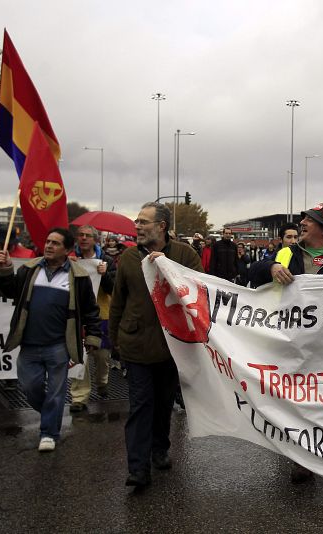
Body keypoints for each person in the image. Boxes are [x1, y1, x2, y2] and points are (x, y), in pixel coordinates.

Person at [248, 203, 323, 500]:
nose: (302, 223)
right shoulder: (287, 253)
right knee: (301, 406)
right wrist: (272, 267)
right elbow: (253, 272)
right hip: (296, 345)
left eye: (308, 220)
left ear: (322, 227)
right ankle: (303, 460)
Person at [109, 202, 204, 488]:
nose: (137, 226)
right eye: (136, 221)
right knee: (140, 406)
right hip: (136, 346)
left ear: (161, 226)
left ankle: (159, 449)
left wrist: (170, 269)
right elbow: (118, 303)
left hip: (171, 348)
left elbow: (202, 291)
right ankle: (137, 469)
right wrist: (116, 342)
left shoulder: (185, 255)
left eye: (143, 222)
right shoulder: (127, 258)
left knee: (163, 404)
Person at [0, 228, 102, 452]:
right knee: (29, 387)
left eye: (55, 243)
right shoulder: (29, 269)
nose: (49, 246)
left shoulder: (79, 276)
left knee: (56, 392)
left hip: (58, 346)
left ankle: (49, 433)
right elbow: (10, 292)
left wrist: (93, 336)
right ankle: (49, 414)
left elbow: (91, 310)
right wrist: (4, 270)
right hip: (29, 345)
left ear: (67, 250)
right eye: (47, 241)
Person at [68, 225, 116, 412]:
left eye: (88, 235)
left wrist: (105, 276)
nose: (84, 238)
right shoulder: (70, 258)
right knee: (80, 356)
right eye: (81, 235)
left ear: (95, 239)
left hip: (101, 314)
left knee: (102, 356)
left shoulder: (107, 261)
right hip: (77, 314)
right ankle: (79, 397)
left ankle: (102, 382)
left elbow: (113, 288)